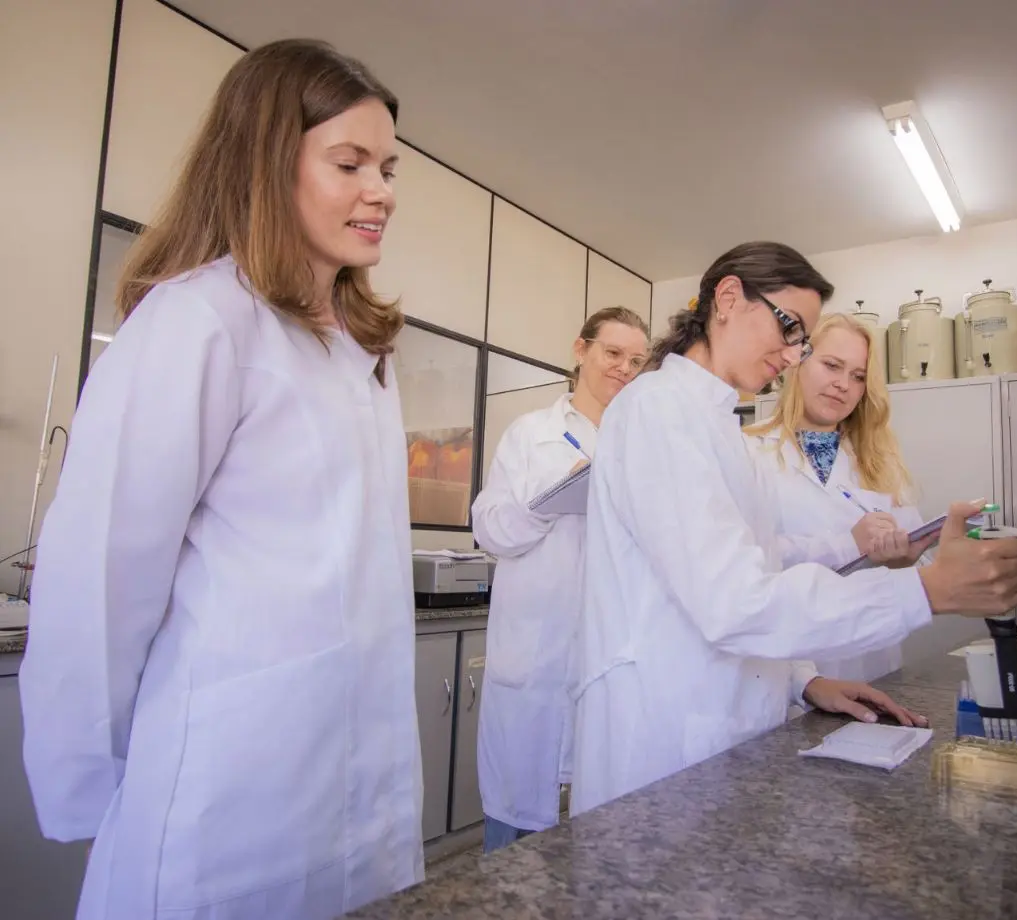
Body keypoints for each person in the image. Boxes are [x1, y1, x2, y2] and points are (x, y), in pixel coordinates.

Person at [20, 40, 423, 920]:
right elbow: (100, 578)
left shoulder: (363, 351)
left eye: (388, 167)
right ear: (267, 162)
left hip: (363, 770)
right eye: (349, 162)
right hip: (231, 779)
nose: (382, 190)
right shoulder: (200, 320)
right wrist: (93, 777)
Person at [570, 241, 1017, 817]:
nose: (791, 357)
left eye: (801, 343)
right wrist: (925, 590)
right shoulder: (656, 410)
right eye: (790, 331)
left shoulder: (716, 426)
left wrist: (804, 682)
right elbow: (735, 603)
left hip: (722, 733)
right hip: (660, 742)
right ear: (729, 298)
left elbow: (764, 561)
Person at [472, 307, 650, 852]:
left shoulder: (642, 443)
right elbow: (490, 528)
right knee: (515, 852)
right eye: (613, 353)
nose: (623, 368)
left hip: (609, 654)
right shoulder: (530, 435)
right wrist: (553, 497)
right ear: (582, 350)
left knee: (596, 849)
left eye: (637, 361)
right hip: (536, 657)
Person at [745, 312, 931, 683]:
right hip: (790, 664)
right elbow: (745, 557)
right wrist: (847, 544)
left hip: (872, 658)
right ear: (798, 360)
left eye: (857, 376)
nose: (842, 384)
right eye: (832, 365)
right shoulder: (748, 450)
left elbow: (923, 555)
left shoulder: (879, 462)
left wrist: (905, 558)